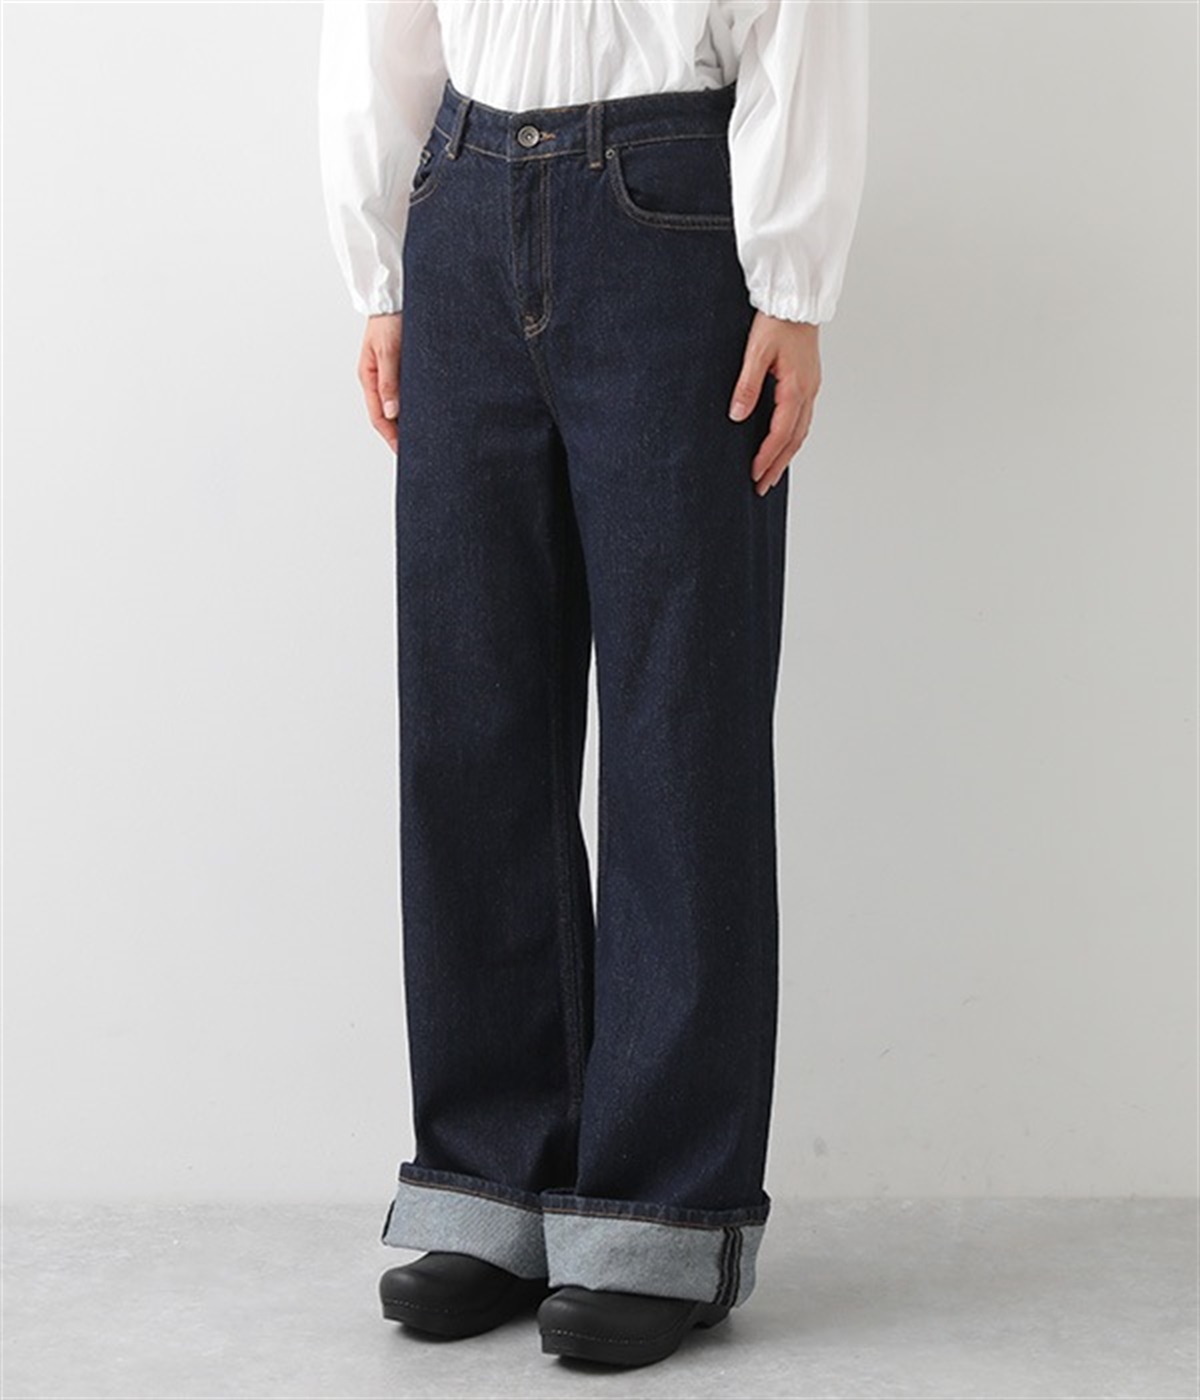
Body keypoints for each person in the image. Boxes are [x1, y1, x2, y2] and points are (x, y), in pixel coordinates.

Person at [317, 0, 868, 1369]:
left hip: (672, 207)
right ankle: (490, 1181)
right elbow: (381, 21)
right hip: (460, 195)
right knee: (471, 720)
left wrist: (794, 283)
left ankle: (660, 1218)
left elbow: (803, 19)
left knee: (682, 724)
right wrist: (381, 268)